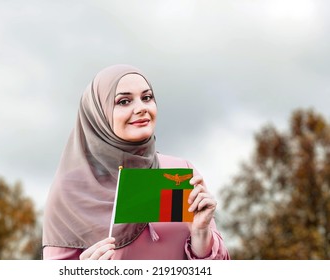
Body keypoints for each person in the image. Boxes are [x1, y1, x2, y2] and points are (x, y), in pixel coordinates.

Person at [42, 64, 230, 260]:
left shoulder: (180, 171)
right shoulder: (70, 189)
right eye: (124, 101)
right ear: (98, 114)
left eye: (147, 98)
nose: (141, 108)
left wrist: (201, 235)